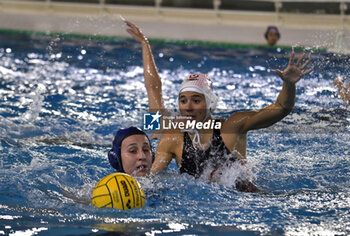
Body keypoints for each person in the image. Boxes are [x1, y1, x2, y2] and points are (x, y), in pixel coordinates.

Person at [124, 20, 313, 192]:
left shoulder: (232, 127)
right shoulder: (173, 139)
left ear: (210, 104)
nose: (188, 107)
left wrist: (289, 84)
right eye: (183, 101)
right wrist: (144, 44)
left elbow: (281, 108)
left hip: (247, 202)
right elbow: (151, 182)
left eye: (196, 100)